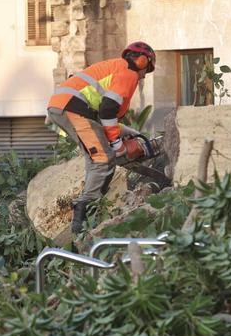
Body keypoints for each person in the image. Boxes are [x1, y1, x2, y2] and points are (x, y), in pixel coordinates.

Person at [46, 41, 157, 234]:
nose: (144, 75)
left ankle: (86, 210)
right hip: (72, 107)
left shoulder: (117, 68)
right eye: (146, 70)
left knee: (95, 158)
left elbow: (102, 117)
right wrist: (118, 146)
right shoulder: (129, 74)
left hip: (67, 106)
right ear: (142, 62)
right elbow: (107, 111)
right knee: (103, 159)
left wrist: (124, 131)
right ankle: (84, 214)